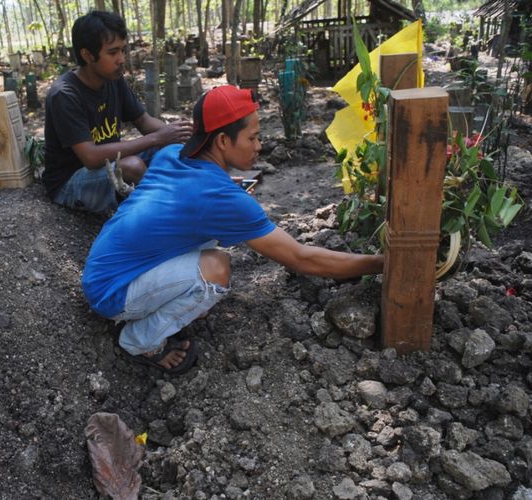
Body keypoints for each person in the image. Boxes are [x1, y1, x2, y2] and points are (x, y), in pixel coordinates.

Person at [82, 85, 384, 375]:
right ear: (223, 141)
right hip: (112, 293)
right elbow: (301, 258)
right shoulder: (220, 198)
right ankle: (140, 340)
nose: (259, 146)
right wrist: (379, 263)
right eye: (252, 138)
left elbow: (173, 186)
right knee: (217, 268)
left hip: (101, 269)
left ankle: (167, 303)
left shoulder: (172, 152)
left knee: (211, 238)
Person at [43, 11, 192, 213]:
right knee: (131, 167)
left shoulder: (113, 80)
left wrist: (182, 135)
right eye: (113, 52)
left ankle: (181, 202)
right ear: (87, 55)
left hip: (108, 165)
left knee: (172, 149)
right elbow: (91, 157)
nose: (121, 59)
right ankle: (166, 215)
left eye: (123, 50)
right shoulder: (65, 94)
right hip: (70, 182)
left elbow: (144, 121)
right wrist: (157, 138)